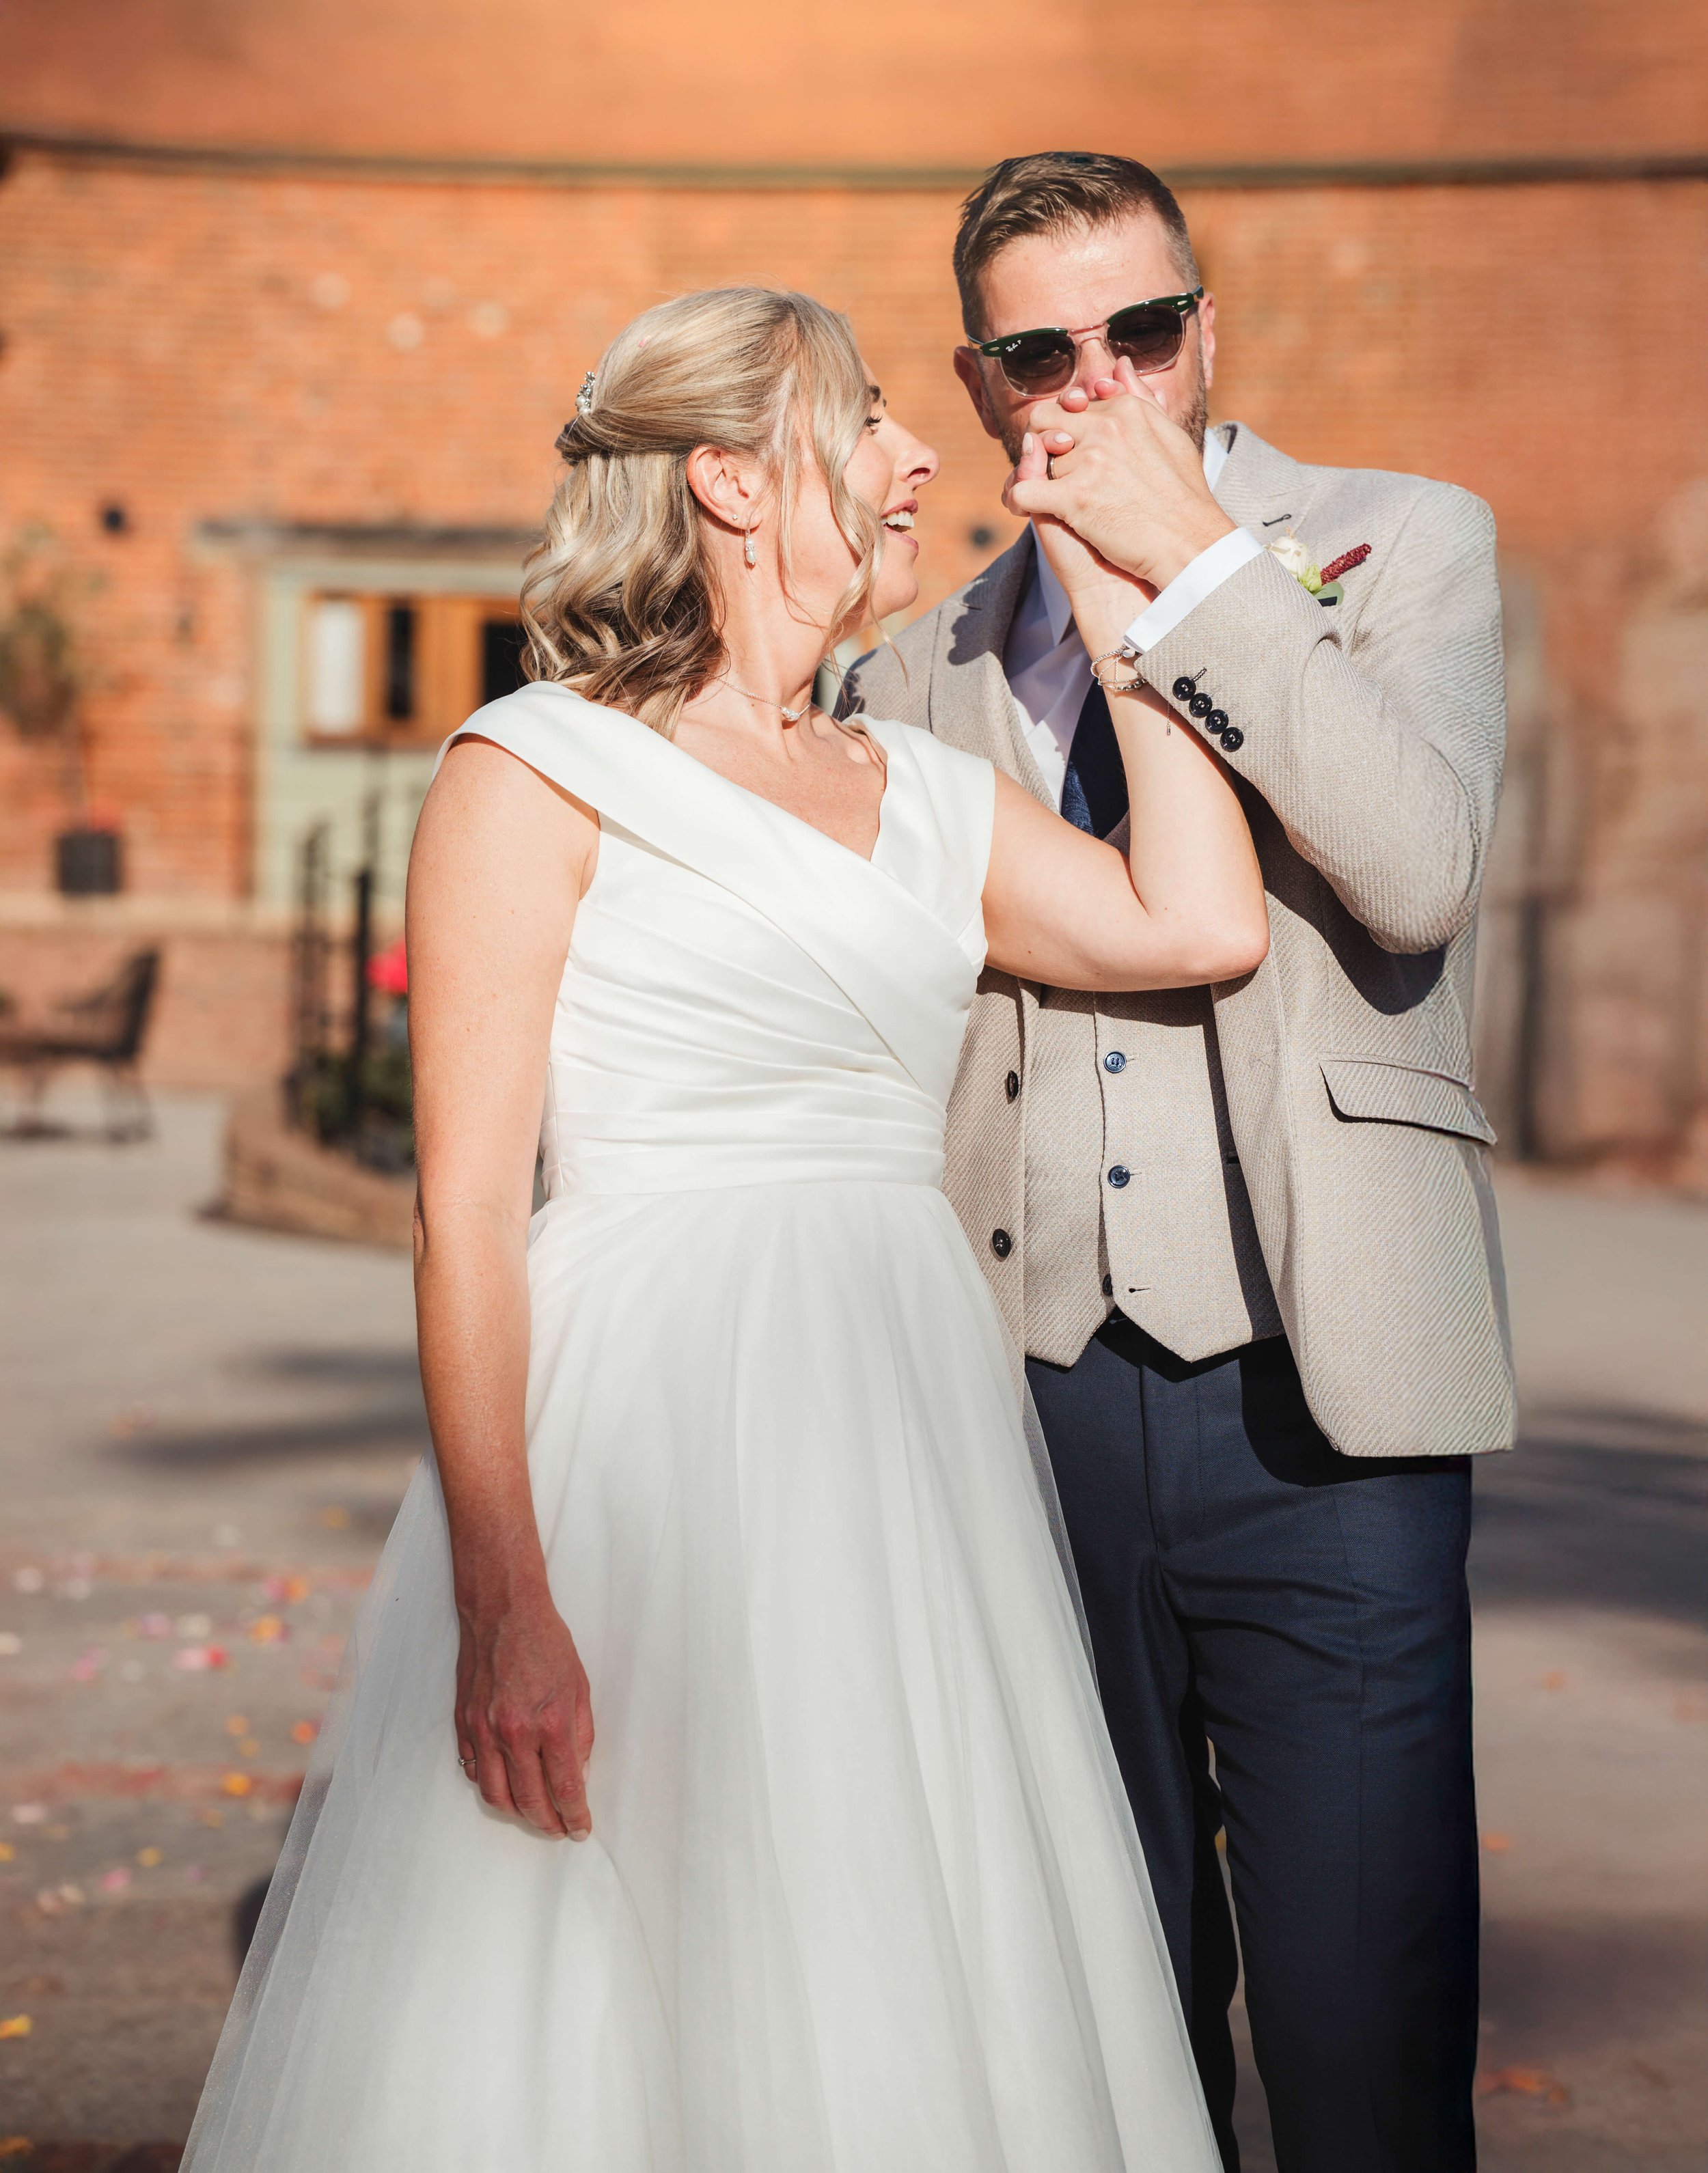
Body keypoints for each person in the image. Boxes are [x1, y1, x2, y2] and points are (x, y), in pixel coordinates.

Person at [180, 285, 1269, 2172]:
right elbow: (462, 1219)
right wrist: (506, 1600)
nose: (921, 454)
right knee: (621, 1952)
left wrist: (1130, 609)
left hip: (902, 1433)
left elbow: (1196, 926)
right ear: (729, 485)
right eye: (863, 422)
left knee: (887, 1915)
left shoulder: (926, 794)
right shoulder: (532, 772)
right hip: (645, 1438)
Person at [842, 152, 1513, 2173]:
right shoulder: (923, 660)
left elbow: (1411, 872)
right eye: (1048, 349)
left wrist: (1201, 566)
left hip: (1327, 1387)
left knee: (1359, 2017)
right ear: (983, 383)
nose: (1103, 379)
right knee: (1099, 2022)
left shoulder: (1401, 543)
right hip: (1024, 1396)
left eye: (1143, 331)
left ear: (1203, 330)